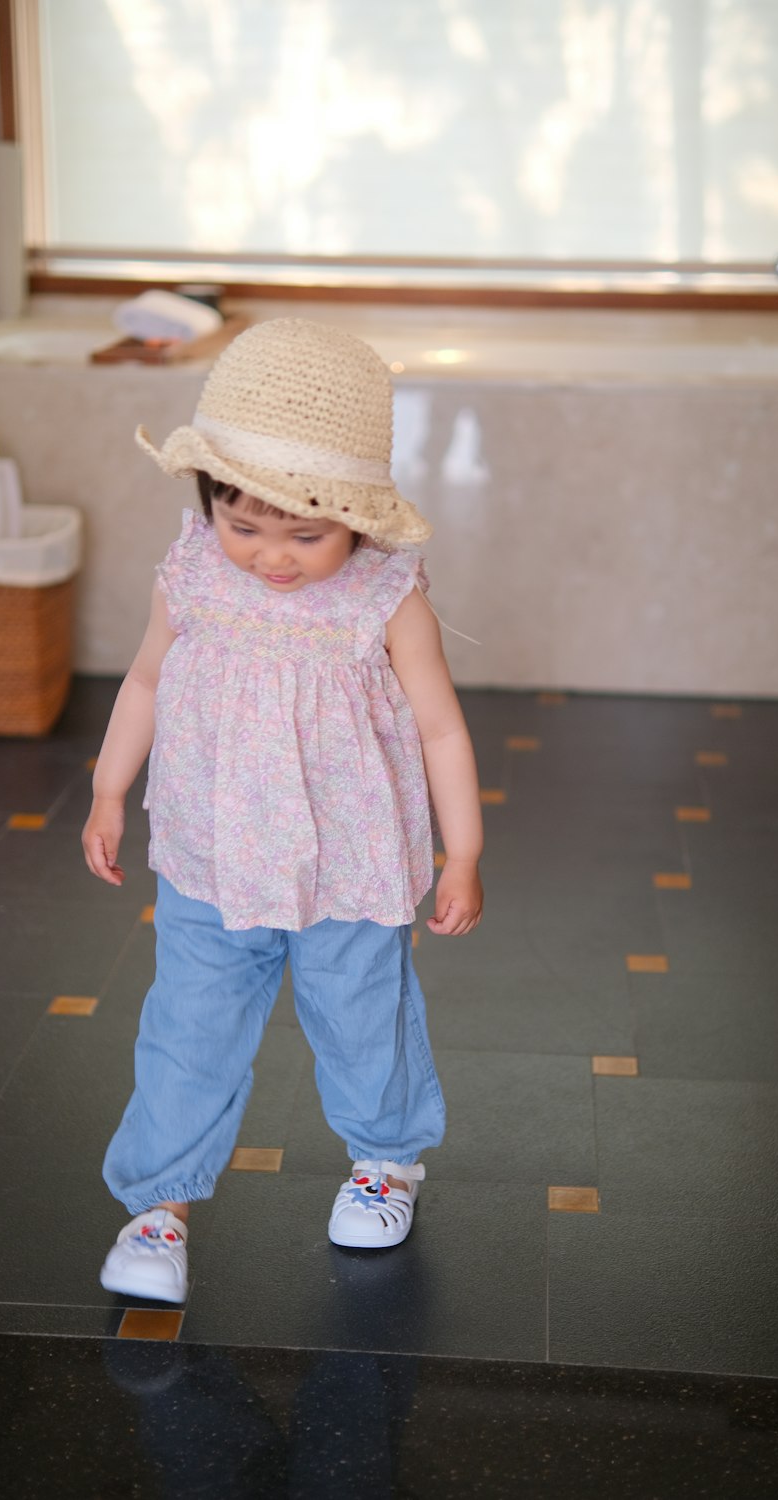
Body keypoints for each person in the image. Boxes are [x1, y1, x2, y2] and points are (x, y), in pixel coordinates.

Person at [82, 317, 484, 1304]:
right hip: (211, 854)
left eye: (307, 533)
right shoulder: (188, 574)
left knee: (360, 1016)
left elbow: (439, 728)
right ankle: (158, 1206)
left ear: (359, 518)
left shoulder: (383, 598)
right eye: (243, 523)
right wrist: (105, 789)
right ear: (207, 493)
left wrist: (462, 851)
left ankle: (386, 1160)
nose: (271, 556)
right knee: (188, 1024)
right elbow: (142, 682)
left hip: (350, 863)